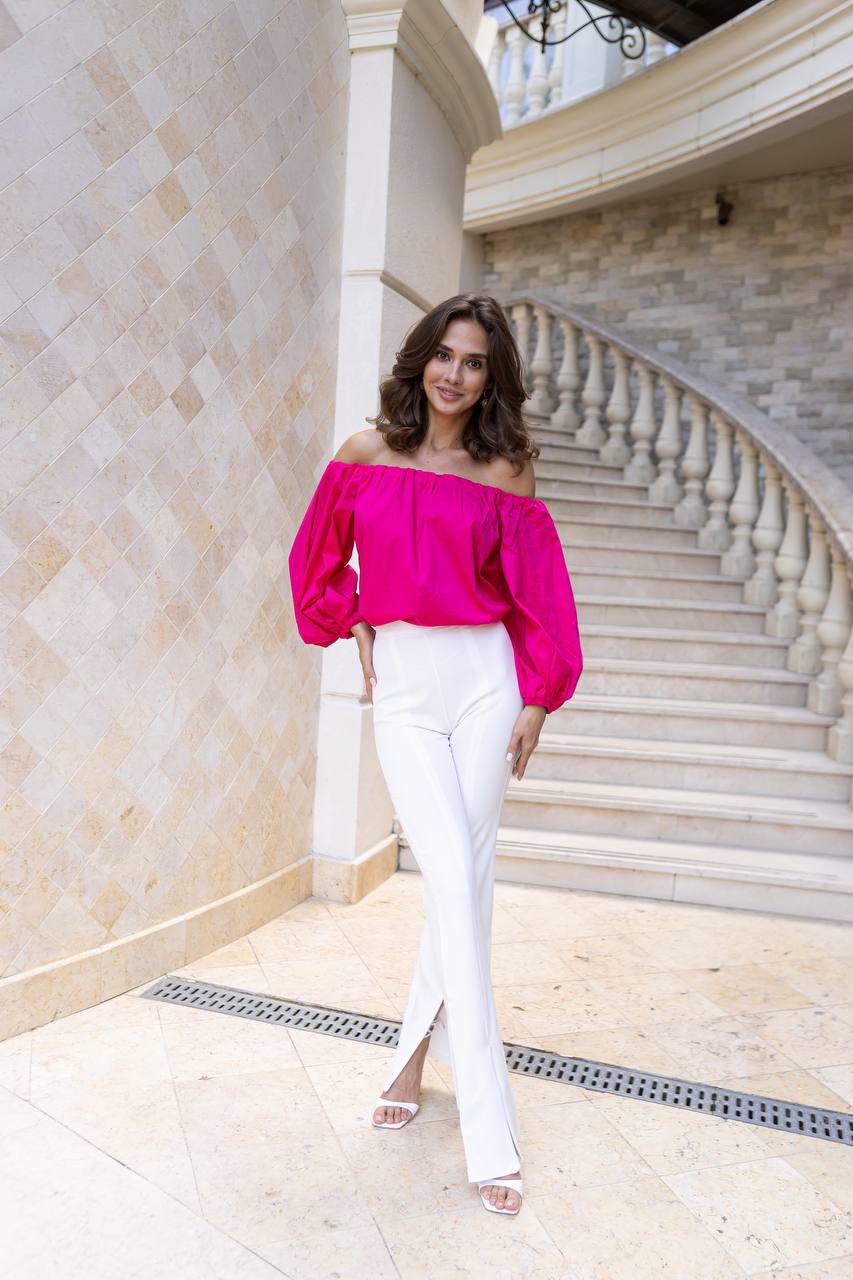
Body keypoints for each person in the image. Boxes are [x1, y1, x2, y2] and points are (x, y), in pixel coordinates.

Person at [288, 293, 583, 1216]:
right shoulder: (365, 453)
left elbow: (539, 594)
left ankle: (412, 1062)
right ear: (421, 360)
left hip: (488, 678)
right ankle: (491, 1130)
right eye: (445, 356)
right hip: (408, 689)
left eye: (475, 363)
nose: (455, 374)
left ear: (491, 380)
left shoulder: (507, 470)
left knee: (466, 875)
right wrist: (355, 620)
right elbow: (314, 563)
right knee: (453, 876)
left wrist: (540, 693)